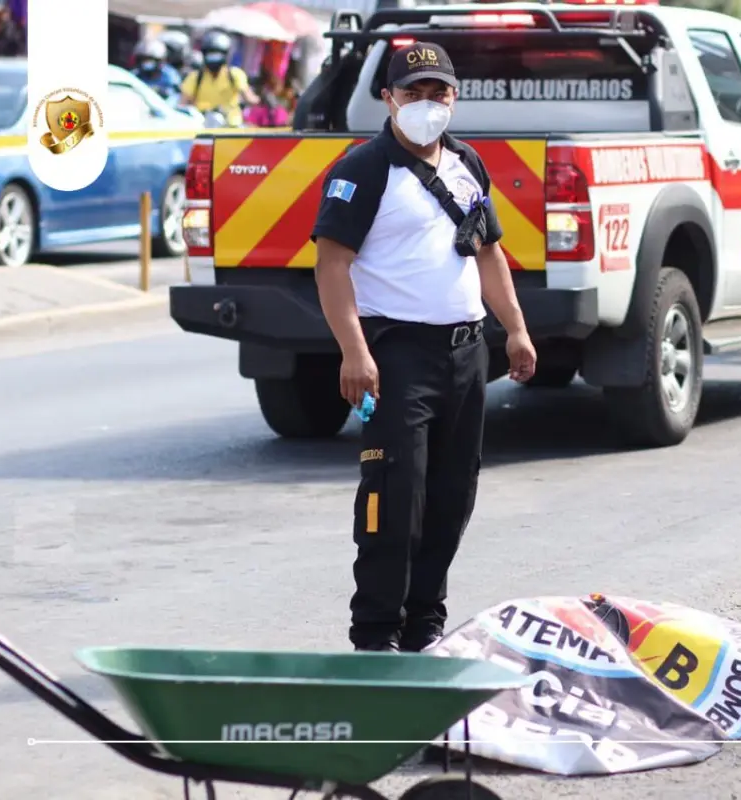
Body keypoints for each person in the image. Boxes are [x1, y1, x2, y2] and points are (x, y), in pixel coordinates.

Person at [310, 42, 537, 652]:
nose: (426, 105)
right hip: (397, 354)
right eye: (413, 94)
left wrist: (513, 328)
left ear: (454, 98)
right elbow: (332, 266)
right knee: (393, 494)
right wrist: (354, 351)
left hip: (466, 353)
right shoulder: (363, 170)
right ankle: (376, 633)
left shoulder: (466, 163)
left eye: (438, 93)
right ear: (388, 98)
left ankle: (424, 628)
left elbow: (488, 251)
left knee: (451, 495)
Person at [179, 30, 258, 128]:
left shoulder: (235, 74)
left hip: (232, 127)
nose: (213, 58)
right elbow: (182, 104)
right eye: (210, 54)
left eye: (217, 55)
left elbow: (250, 98)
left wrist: (262, 100)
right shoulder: (194, 77)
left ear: (225, 54)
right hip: (203, 127)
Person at [133, 39, 183, 103]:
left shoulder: (170, 76)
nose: (146, 63)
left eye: (150, 59)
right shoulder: (135, 75)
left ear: (160, 61)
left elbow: (176, 96)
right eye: (143, 59)